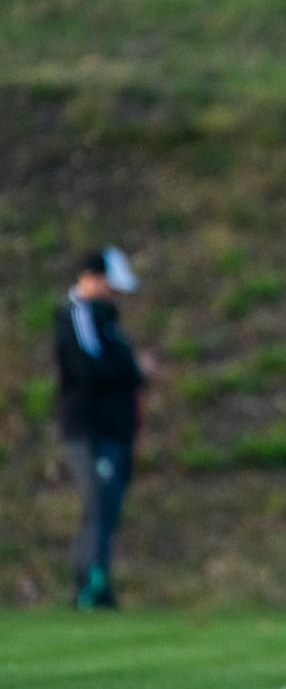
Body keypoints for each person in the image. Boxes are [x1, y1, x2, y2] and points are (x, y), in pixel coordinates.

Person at [55, 247, 147, 611]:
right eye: (112, 285)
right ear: (92, 279)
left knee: (107, 508)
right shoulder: (79, 315)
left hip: (114, 430)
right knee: (98, 504)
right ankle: (90, 586)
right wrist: (134, 371)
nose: (116, 294)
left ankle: (99, 585)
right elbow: (88, 369)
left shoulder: (105, 319)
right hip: (91, 429)